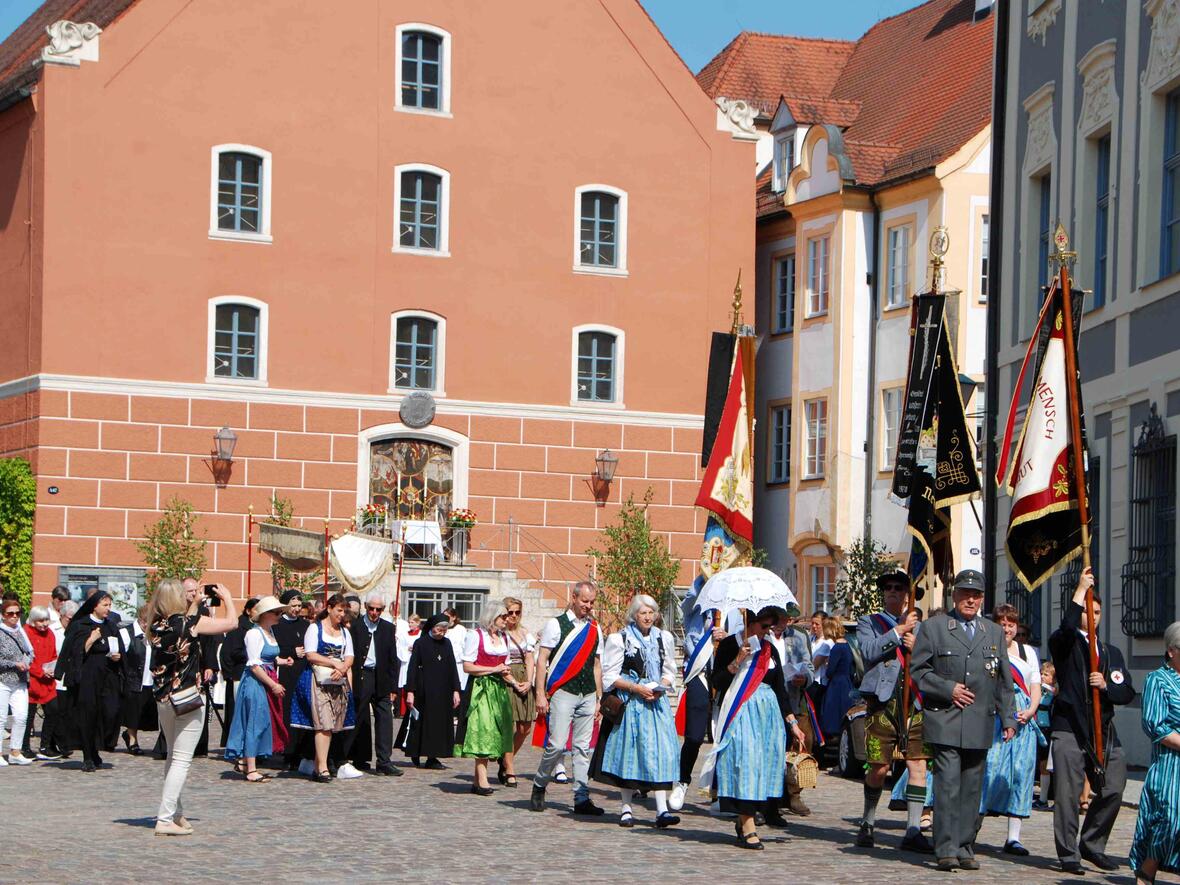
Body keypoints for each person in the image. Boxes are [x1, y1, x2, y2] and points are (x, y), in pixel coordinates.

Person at [911, 568, 1015, 872]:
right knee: (948, 786)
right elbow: (919, 671)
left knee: (972, 787)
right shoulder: (934, 628)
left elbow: (1003, 680)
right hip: (946, 718)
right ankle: (944, 847)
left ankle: (965, 845)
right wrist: (948, 689)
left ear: (982, 599)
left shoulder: (993, 631)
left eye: (976, 595)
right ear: (954, 595)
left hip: (980, 721)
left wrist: (1008, 718)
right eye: (965, 594)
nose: (970, 600)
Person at [1048, 566, 1135, 874]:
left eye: (1097, 612)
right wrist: (1080, 590)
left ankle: (1092, 842)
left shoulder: (1110, 652)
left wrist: (1106, 687)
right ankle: (1068, 853)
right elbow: (1067, 628)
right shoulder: (1065, 643)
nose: (1094, 616)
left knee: (1114, 785)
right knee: (1069, 793)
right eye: (1088, 610)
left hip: (1103, 729)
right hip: (1070, 726)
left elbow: (1126, 691)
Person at [146, 578, 237, 835]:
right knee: (182, 760)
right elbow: (231, 623)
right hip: (187, 697)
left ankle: (175, 812)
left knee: (173, 757)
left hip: (163, 698)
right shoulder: (190, 623)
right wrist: (228, 598)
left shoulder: (155, 624)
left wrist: (195, 605)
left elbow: (181, 625)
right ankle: (165, 818)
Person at [854, 569, 932, 853]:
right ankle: (868, 821)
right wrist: (899, 631)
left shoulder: (923, 628)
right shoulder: (869, 622)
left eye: (899, 587)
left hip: (915, 702)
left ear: (908, 593)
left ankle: (913, 829)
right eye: (887, 587)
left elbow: (931, 661)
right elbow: (869, 651)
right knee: (879, 767)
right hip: (883, 701)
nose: (893, 591)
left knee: (918, 764)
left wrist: (917, 645)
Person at [592, 594, 681, 827]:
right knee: (629, 754)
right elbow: (609, 676)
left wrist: (662, 685)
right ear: (634, 615)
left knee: (662, 753)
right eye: (643, 613)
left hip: (655, 704)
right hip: (631, 703)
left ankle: (662, 810)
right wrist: (635, 687)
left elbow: (670, 669)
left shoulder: (663, 638)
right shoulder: (620, 639)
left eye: (651, 612)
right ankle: (626, 808)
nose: (648, 617)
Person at [710, 608, 791, 850]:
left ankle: (744, 819)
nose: (769, 632)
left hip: (768, 717)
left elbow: (780, 688)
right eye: (765, 626)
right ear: (751, 623)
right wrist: (737, 660)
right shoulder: (728, 646)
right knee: (746, 765)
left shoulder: (770, 648)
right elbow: (717, 682)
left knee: (762, 768)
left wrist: (792, 721)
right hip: (741, 712)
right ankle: (747, 825)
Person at [530, 581, 604, 816]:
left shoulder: (595, 628)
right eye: (584, 601)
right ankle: (540, 783)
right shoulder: (556, 624)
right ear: (574, 598)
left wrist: (599, 697)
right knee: (557, 744)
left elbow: (596, 664)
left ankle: (581, 797)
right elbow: (542, 660)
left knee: (583, 748)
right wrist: (540, 694)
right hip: (563, 692)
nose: (588, 606)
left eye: (591, 602)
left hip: (588, 693)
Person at [979, 603, 1044, 856]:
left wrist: (1030, 711)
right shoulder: (987, 649)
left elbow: (1036, 686)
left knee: (1021, 775)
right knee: (989, 772)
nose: (1006, 628)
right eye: (1002, 623)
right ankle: (973, 827)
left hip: (1024, 720)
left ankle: (1013, 838)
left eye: (1011, 623)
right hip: (995, 719)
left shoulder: (1028, 653)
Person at [669, 581, 731, 811]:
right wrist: (710, 574)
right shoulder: (696, 609)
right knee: (694, 736)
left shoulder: (734, 613)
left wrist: (729, 636)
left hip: (725, 674)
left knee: (721, 736)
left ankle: (718, 792)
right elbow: (690, 598)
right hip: (699, 673)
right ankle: (682, 781)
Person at [1129, 620, 1180, 884]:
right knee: (1169, 819)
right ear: (1171, 650)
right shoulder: (1157, 680)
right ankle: (1147, 870)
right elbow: (1155, 725)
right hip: (1170, 764)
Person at [290, 594, 356, 783]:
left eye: (344, 611)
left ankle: (320, 764)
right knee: (323, 723)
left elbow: (350, 656)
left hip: (338, 681)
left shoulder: (344, 632)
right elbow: (310, 655)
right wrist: (334, 663)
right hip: (318, 680)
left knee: (333, 725)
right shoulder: (314, 628)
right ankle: (322, 768)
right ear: (329, 608)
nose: (342, 615)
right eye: (339, 610)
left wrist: (343, 667)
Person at [59, 591, 124, 771]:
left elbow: (117, 647)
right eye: (105, 605)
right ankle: (88, 755)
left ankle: (97, 747)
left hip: (107, 677)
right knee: (88, 715)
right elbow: (75, 652)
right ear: (94, 606)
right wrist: (91, 640)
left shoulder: (111, 625)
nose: (108, 609)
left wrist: (118, 657)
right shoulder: (81, 625)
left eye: (110, 605)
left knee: (109, 712)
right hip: (87, 678)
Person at [456, 604, 518, 794]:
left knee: (499, 731)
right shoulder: (476, 635)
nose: (506, 619)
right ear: (493, 617)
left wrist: (516, 683)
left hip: (498, 690)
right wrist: (493, 669)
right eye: (503, 616)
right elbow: (468, 666)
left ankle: (477, 780)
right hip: (480, 690)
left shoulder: (504, 638)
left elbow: (504, 669)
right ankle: (482, 780)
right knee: (483, 731)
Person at [224, 596, 287, 782]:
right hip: (255, 682)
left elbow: (267, 658)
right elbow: (254, 664)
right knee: (254, 722)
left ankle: (245, 762)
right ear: (265, 615)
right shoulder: (254, 633)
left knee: (263, 721)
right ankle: (251, 769)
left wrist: (282, 661)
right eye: (276, 613)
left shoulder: (269, 632)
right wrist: (273, 684)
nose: (279, 616)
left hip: (266, 678)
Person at [347, 591, 400, 776]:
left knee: (385, 719)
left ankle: (384, 760)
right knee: (360, 717)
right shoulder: (355, 627)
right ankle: (358, 757)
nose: (374, 613)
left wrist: (394, 686)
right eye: (371, 609)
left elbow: (393, 659)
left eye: (379, 609)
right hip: (362, 675)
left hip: (381, 677)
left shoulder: (387, 628)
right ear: (365, 607)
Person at [398, 613, 460, 768]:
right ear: (432, 628)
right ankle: (415, 752)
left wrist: (456, 690)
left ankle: (433, 756)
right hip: (423, 690)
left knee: (438, 724)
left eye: (444, 630)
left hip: (443, 691)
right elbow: (412, 668)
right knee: (421, 723)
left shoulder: (447, 644)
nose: (441, 633)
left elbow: (452, 667)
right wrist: (410, 691)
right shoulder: (421, 643)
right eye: (439, 629)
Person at [770, 611, 817, 818]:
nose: (784, 623)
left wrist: (804, 678)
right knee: (774, 748)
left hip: (794, 698)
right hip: (770, 700)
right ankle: (773, 795)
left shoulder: (798, 637)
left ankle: (794, 794)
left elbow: (809, 665)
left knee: (802, 744)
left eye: (787, 619)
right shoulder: (762, 635)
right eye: (780, 618)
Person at [272, 590, 309, 772]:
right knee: (287, 711)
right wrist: (292, 651)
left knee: (301, 711)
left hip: (302, 672)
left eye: (299, 606)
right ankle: (287, 751)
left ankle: (300, 751)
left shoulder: (305, 625)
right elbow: (275, 648)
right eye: (293, 606)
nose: (296, 609)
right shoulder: (277, 625)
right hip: (286, 672)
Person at [218, 597, 259, 752]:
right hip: (239, 675)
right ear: (248, 611)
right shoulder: (239, 628)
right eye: (255, 609)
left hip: (253, 675)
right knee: (239, 713)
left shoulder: (258, 627)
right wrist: (229, 675)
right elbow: (228, 652)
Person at [502, 596, 535, 784]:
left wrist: (529, 681)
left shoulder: (525, 633)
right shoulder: (500, 634)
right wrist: (514, 682)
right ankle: (510, 768)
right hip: (507, 676)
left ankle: (506, 759)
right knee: (508, 726)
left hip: (524, 676)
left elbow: (530, 658)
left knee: (525, 728)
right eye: (510, 612)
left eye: (517, 612)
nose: (513, 616)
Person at [120, 604, 158, 755]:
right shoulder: (126, 633)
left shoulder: (154, 634)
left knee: (144, 712)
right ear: (142, 621)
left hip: (150, 679)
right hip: (133, 678)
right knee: (132, 711)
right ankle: (132, 739)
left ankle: (130, 735)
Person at [0, 597, 34, 765]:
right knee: (1, 718)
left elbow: (29, 651)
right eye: (10, 613)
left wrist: (28, 660)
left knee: (21, 716)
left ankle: (15, 751)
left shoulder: (21, 632)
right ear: (3, 615)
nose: (14, 616)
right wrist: (14, 664)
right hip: (3, 679)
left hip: (20, 680)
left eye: (17, 613)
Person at [21, 606, 58, 759]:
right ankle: (24, 747)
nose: (44, 624)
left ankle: (45, 745)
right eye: (40, 621)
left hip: (48, 682)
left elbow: (53, 654)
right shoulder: (26, 633)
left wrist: (53, 668)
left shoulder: (50, 633)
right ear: (33, 621)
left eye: (46, 620)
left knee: (53, 711)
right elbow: (27, 659)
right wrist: (40, 672)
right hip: (32, 681)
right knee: (28, 717)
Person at [819, 617, 856, 742]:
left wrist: (828, 666)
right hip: (847, 683)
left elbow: (830, 671)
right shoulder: (847, 645)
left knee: (833, 715)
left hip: (836, 685)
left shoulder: (836, 648)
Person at [1033, 660, 1056, 810]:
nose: (1042, 676)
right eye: (1041, 674)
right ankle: (1042, 799)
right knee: (1041, 764)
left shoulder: (1053, 691)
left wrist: (1045, 686)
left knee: (1049, 765)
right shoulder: (1039, 690)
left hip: (1049, 730)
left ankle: (1050, 798)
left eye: (1045, 674)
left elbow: (1054, 692)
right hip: (1038, 728)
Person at [444, 608, 469, 691]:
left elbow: (464, 646)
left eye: (447, 616)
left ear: (453, 617)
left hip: (458, 664)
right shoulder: (443, 629)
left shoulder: (460, 629)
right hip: (445, 663)